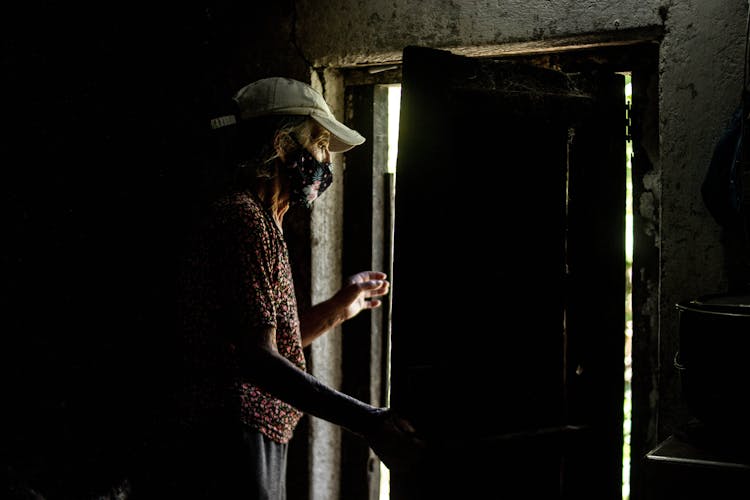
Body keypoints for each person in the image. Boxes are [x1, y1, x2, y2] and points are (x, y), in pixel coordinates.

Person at [171, 77, 423, 499]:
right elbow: (258, 358)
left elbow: (265, 341)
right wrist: (370, 420)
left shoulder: (263, 222)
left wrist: (343, 307)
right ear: (283, 146)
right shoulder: (243, 218)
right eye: (321, 145)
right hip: (230, 437)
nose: (327, 162)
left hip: (251, 432)